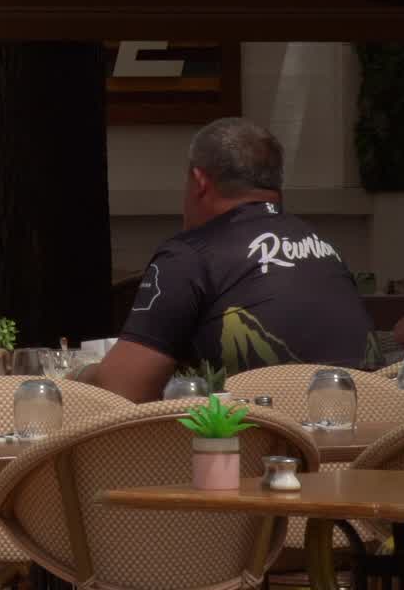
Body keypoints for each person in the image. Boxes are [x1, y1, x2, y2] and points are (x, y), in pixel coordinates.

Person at [86, 117, 379, 403]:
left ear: (200, 182)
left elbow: (119, 391)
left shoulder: (188, 256)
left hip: (255, 443)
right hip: (365, 437)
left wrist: (80, 375)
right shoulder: (324, 245)